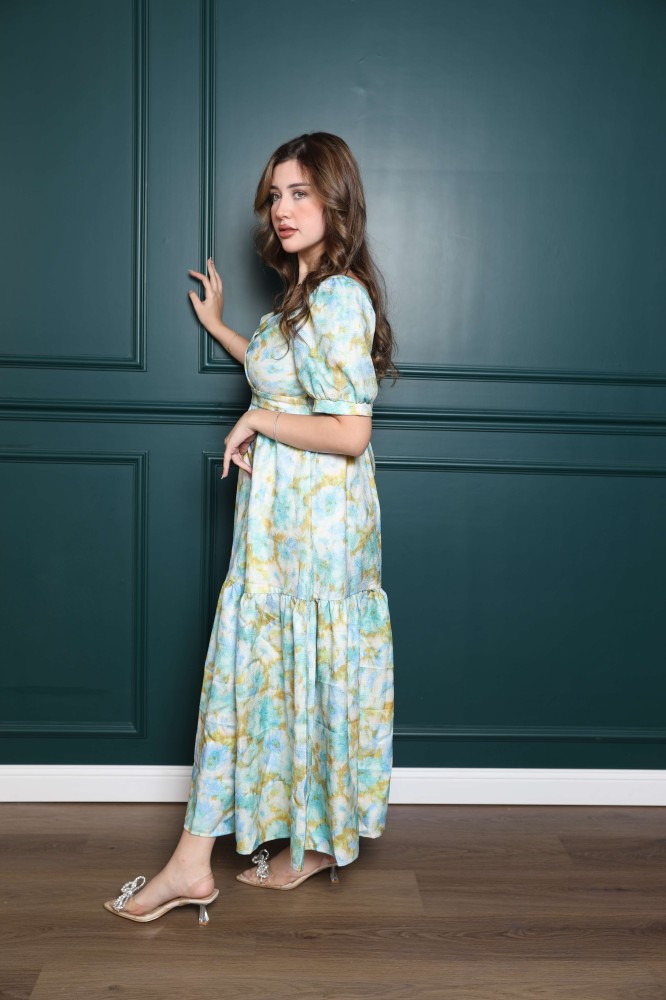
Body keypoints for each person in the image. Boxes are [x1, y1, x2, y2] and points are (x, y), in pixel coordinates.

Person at [104, 131, 399, 923]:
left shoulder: (339, 297)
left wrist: (259, 420)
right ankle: (292, 846)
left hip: (320, 529)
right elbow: (281, 377)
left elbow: (350, 433)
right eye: (275, 195)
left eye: (300, 192)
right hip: (278, 526)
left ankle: (199, 864)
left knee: (279, 673)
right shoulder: (303, 297)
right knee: (273, 677)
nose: (282, 209)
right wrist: (221, 326)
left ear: (336, 199)